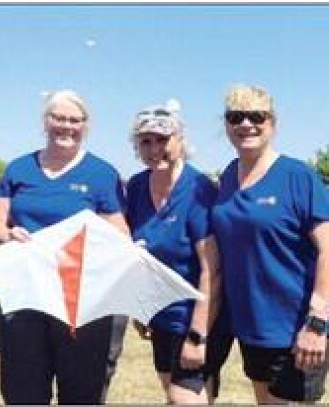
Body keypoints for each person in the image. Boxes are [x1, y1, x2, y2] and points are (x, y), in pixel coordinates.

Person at [0, 89, 130, 404]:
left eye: (74, 120)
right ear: (46, 122)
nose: (66, 126)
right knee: (22, 392)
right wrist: (10, 235)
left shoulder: (102, 173)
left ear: (85, 125)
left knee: (82, 393)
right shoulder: (18, 169)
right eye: (59, 118)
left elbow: (120, 233)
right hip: (25, 295)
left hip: (79, 302)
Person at [212, 84, 329, 403]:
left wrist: (318, 323)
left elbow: (328, 250)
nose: (246, 124)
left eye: (256, 116)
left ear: (272, 123)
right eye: (236, 117)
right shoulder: (227, 178)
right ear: (226, 126)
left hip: (295, 329)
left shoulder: (297, 176)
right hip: (251, 327)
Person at [125, 99, 230, 404]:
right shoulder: (135, 187)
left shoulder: (199, 189)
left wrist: (198, 336)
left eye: (163, 140)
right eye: (146, 141)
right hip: (163, 319)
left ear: (181, 141)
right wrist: (142, 308)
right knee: (174, 393)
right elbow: (139, 253)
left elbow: (213, 269)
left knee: (182, 399)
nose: (155, 148)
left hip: (201, 317)